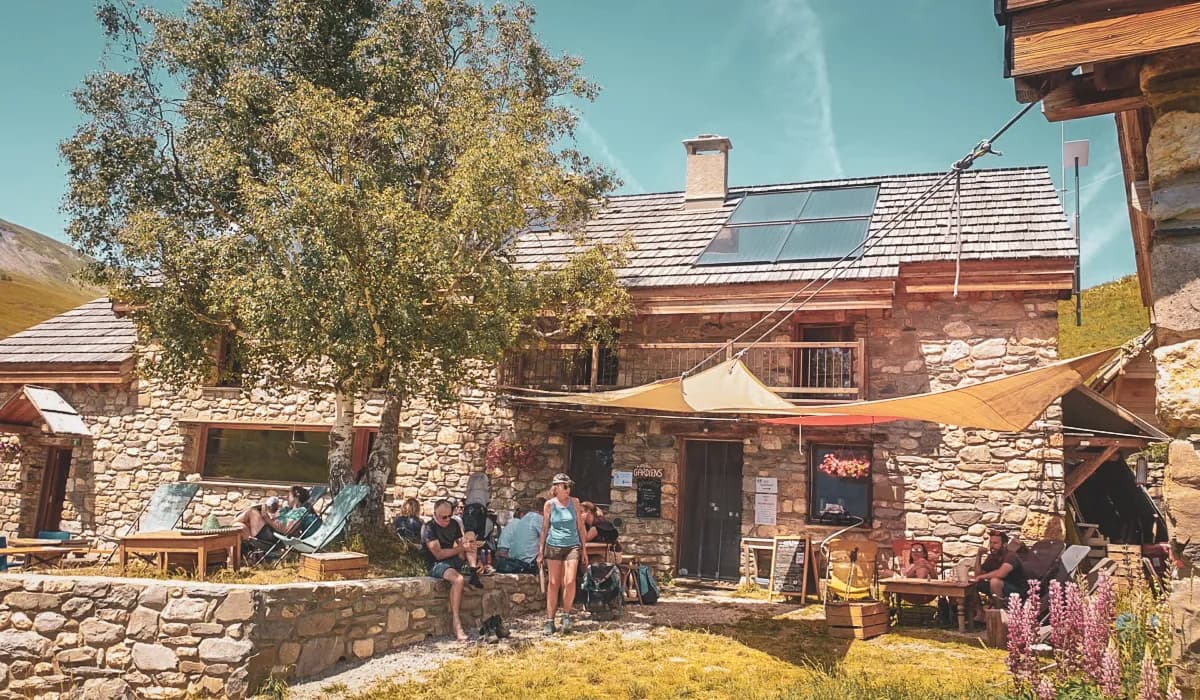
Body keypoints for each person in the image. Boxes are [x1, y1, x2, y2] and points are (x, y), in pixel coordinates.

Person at [421, 499, 482, 642]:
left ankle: (474, 570)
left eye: (449, 516)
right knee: (458, 580)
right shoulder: (429, 528)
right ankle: (456, 622)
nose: (447, 519)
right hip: (436, 564)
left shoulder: (454, 524)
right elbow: (438, 554)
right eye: (444, 517)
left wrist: (475, 558)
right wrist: (461, 548)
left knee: (470, 538)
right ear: (435, 514)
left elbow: (462, 544)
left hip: (453, 559)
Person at [536, 473, 589, 635]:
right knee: (553, 583)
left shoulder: (575, 502)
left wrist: (584, 549)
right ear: (557, 487)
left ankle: (566, 615)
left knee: (570, 580)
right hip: (554, 545)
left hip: (572, 545)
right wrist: (540, 552)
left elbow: (580, 527)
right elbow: (545, 528)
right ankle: (550, 619)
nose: (568, 489)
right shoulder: (549, 505)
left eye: (569, 486)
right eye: (565, 486)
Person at [971, 530, 1028, 620]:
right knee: (972, 584)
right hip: (999, 588)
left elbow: (1001, 573)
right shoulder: (992, 557)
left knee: (995, 581)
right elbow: (977, 575)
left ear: (1004, 545)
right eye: (991, 543)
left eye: (995, 543)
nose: (992, 546)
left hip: (1016, 589)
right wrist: (979, 555)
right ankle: (980, 613)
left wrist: (981, 577)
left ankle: (999, 615)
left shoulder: (1011, 556)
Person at [496, 499, 543, 574]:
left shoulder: (521, 520)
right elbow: (548, 537)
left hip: (513, 558)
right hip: (526, 562)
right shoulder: (537, 518)